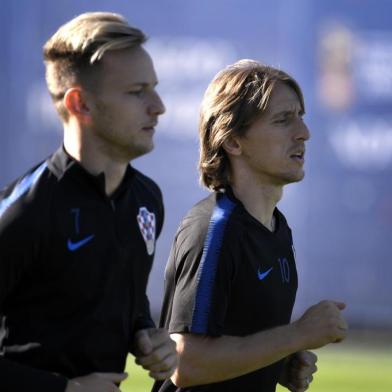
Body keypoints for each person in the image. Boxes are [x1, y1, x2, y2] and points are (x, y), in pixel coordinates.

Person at [0, 12, 177, 391]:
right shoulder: (26, 209)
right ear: (80, 104)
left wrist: (144, 333)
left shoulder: (146, 199)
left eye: (155, 88)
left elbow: (114, 292)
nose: (158, 106)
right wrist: (66, 390)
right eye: (137, 91)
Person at [152, 60, 348, 392]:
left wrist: (280, 362)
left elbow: (235, 343)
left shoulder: (277, 229)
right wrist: (297, 334)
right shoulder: (215, 229)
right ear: (233, 142)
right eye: (284, 120)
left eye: (300, 116)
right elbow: (185, 364)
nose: (304, 132)